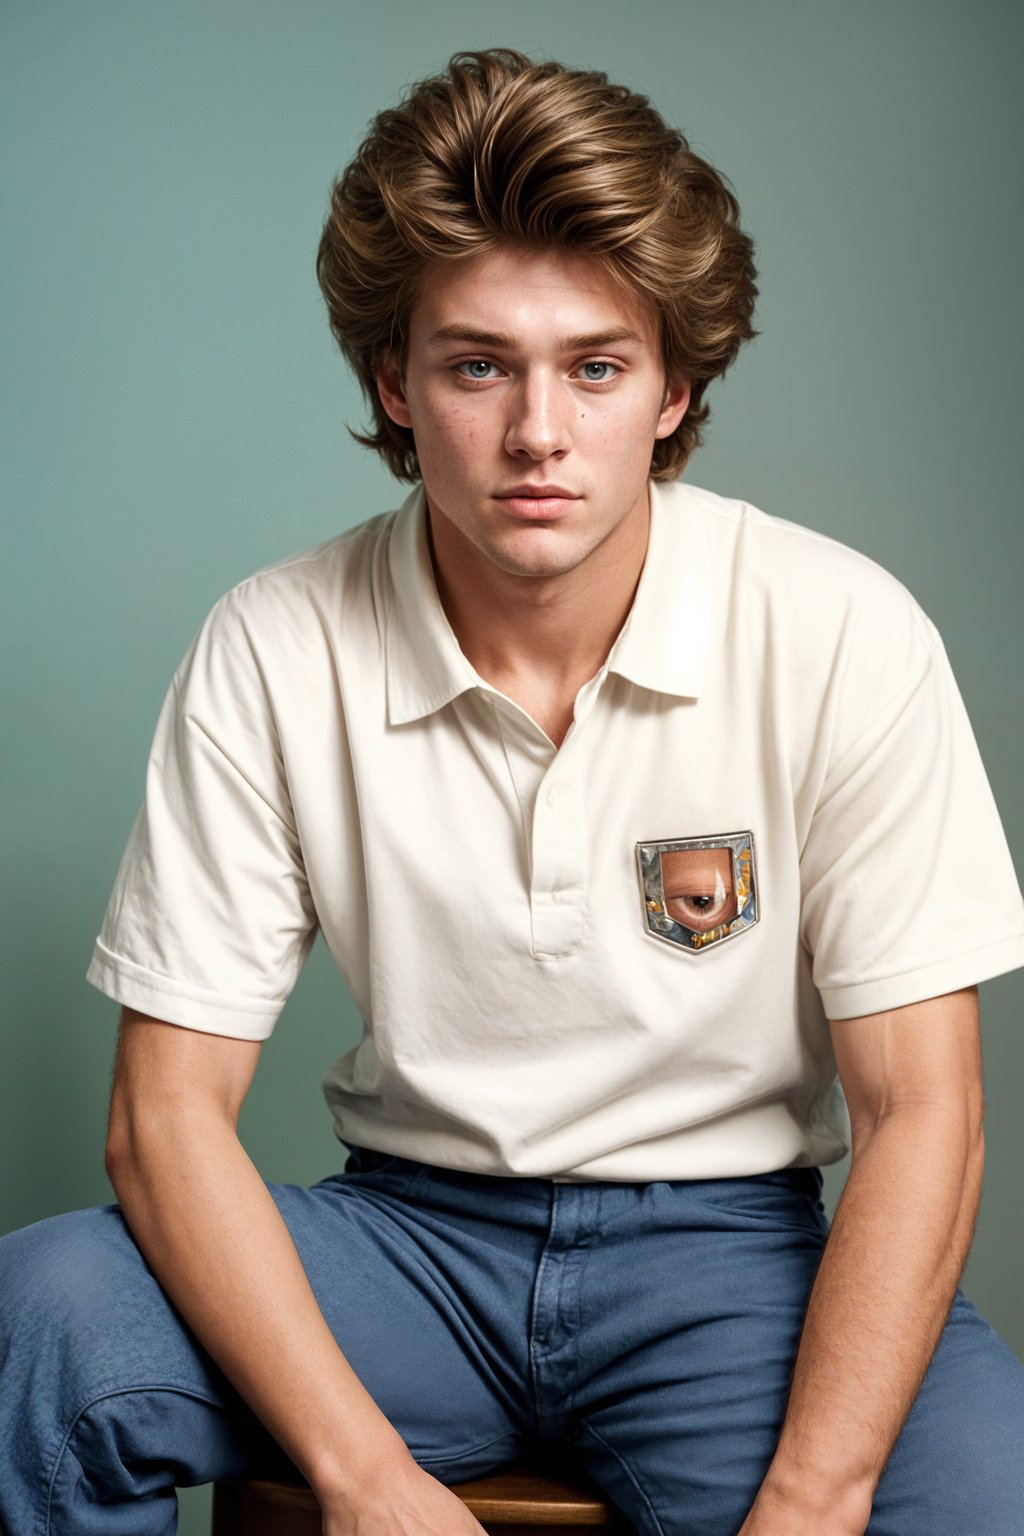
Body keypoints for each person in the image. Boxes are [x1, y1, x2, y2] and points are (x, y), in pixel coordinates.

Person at [1, 46, 1023, 1536]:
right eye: (478, 365)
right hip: (408, 1244)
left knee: (989, 1497)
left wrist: (816, 1495)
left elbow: (926, 1108)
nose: (538, 433)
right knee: (46, 1319)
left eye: (594, 368)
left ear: (673, 388)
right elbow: (164, 1116)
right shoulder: (277, 639)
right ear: (394, 385)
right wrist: (362, 1477)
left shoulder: (838, 627)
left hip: (732, 1258)